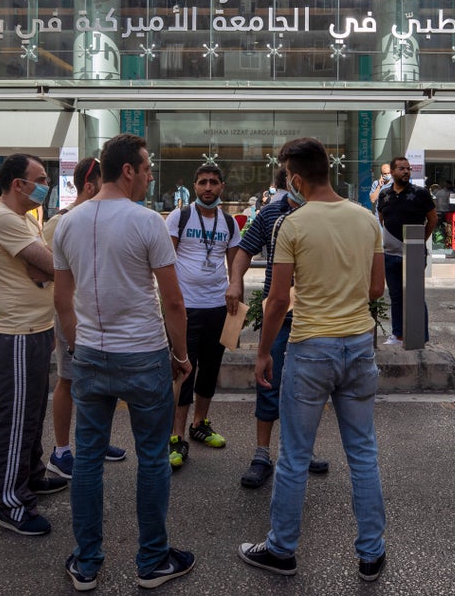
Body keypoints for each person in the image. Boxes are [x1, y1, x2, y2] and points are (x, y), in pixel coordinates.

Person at [238, 137, 386, 582]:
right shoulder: (367, 219)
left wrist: (263, 353)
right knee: (363, 452)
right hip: (357, 345)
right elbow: (376, 288)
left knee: (294, 456)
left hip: (309, 347)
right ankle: (371, 554)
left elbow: (277, 299)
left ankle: (282, 549)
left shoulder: (292, 224)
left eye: (288, 177)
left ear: (297, 179)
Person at [53, 133, 196, 591]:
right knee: (152, 458)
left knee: (88, 459)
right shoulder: (147, 221)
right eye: (147, 168)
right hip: (143, 354)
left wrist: (77, 348)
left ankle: (86, 563)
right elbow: (173, 302)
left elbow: (62, 300)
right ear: (128, 170)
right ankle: (151, 561)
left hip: (90, 355)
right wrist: (181, 355)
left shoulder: (67, 224)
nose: (150, 176)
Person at [0, 154, 69, 537]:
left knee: (31, 414)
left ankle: (31, 476)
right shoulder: (3, 219)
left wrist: (46, 269)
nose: (46, 185)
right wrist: (48, 269)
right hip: (16, 334)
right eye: (41, 179)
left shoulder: (24, 219)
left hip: (35, 329)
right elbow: (51, 266)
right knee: (16, 420)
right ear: (18, 184)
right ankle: (12, 504)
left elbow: (43, 267)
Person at [226, 183, 330, 490]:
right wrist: (235, 281)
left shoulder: (326, 213)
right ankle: (262, 454)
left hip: (315, 318)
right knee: (268, 382)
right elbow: (245, 249)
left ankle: (302, 449)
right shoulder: (271, 213)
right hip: (278, 317)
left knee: (307, 388)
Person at [42, 157, 127, 479]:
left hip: (101, 315)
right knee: (68, 380)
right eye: (106, 183)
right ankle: (61, 451)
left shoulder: (102, 218)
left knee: (102, 383)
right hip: (72, 315)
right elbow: (47, 273)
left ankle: (96, 441)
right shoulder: (61, 222)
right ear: (90, 186)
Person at [164, 164, 241, 469]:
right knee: (183, 370)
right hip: (185, 309)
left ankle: (199, 424)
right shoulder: (179, 217)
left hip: (218, 308)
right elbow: (165, 262)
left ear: (222, 186)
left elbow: (235, 268)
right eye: (202, 182)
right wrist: (171, 302)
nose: (208, 187)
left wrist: (236, 293)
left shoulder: (229, 223)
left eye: (213, 182)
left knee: (210, 369)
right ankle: (176, 435)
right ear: (194, 186)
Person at [376, 156, 437, 346]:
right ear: (392, 171)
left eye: (408, 169)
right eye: (402, 168)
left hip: (414, 255)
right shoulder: (384, 195)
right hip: (390, 254)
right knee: (395, 296)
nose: (406, 172)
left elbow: (433, 219)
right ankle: (398, 335)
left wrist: (419, 241)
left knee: (415, 295)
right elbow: (382, 219)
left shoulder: (420, 194)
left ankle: (421, 337)